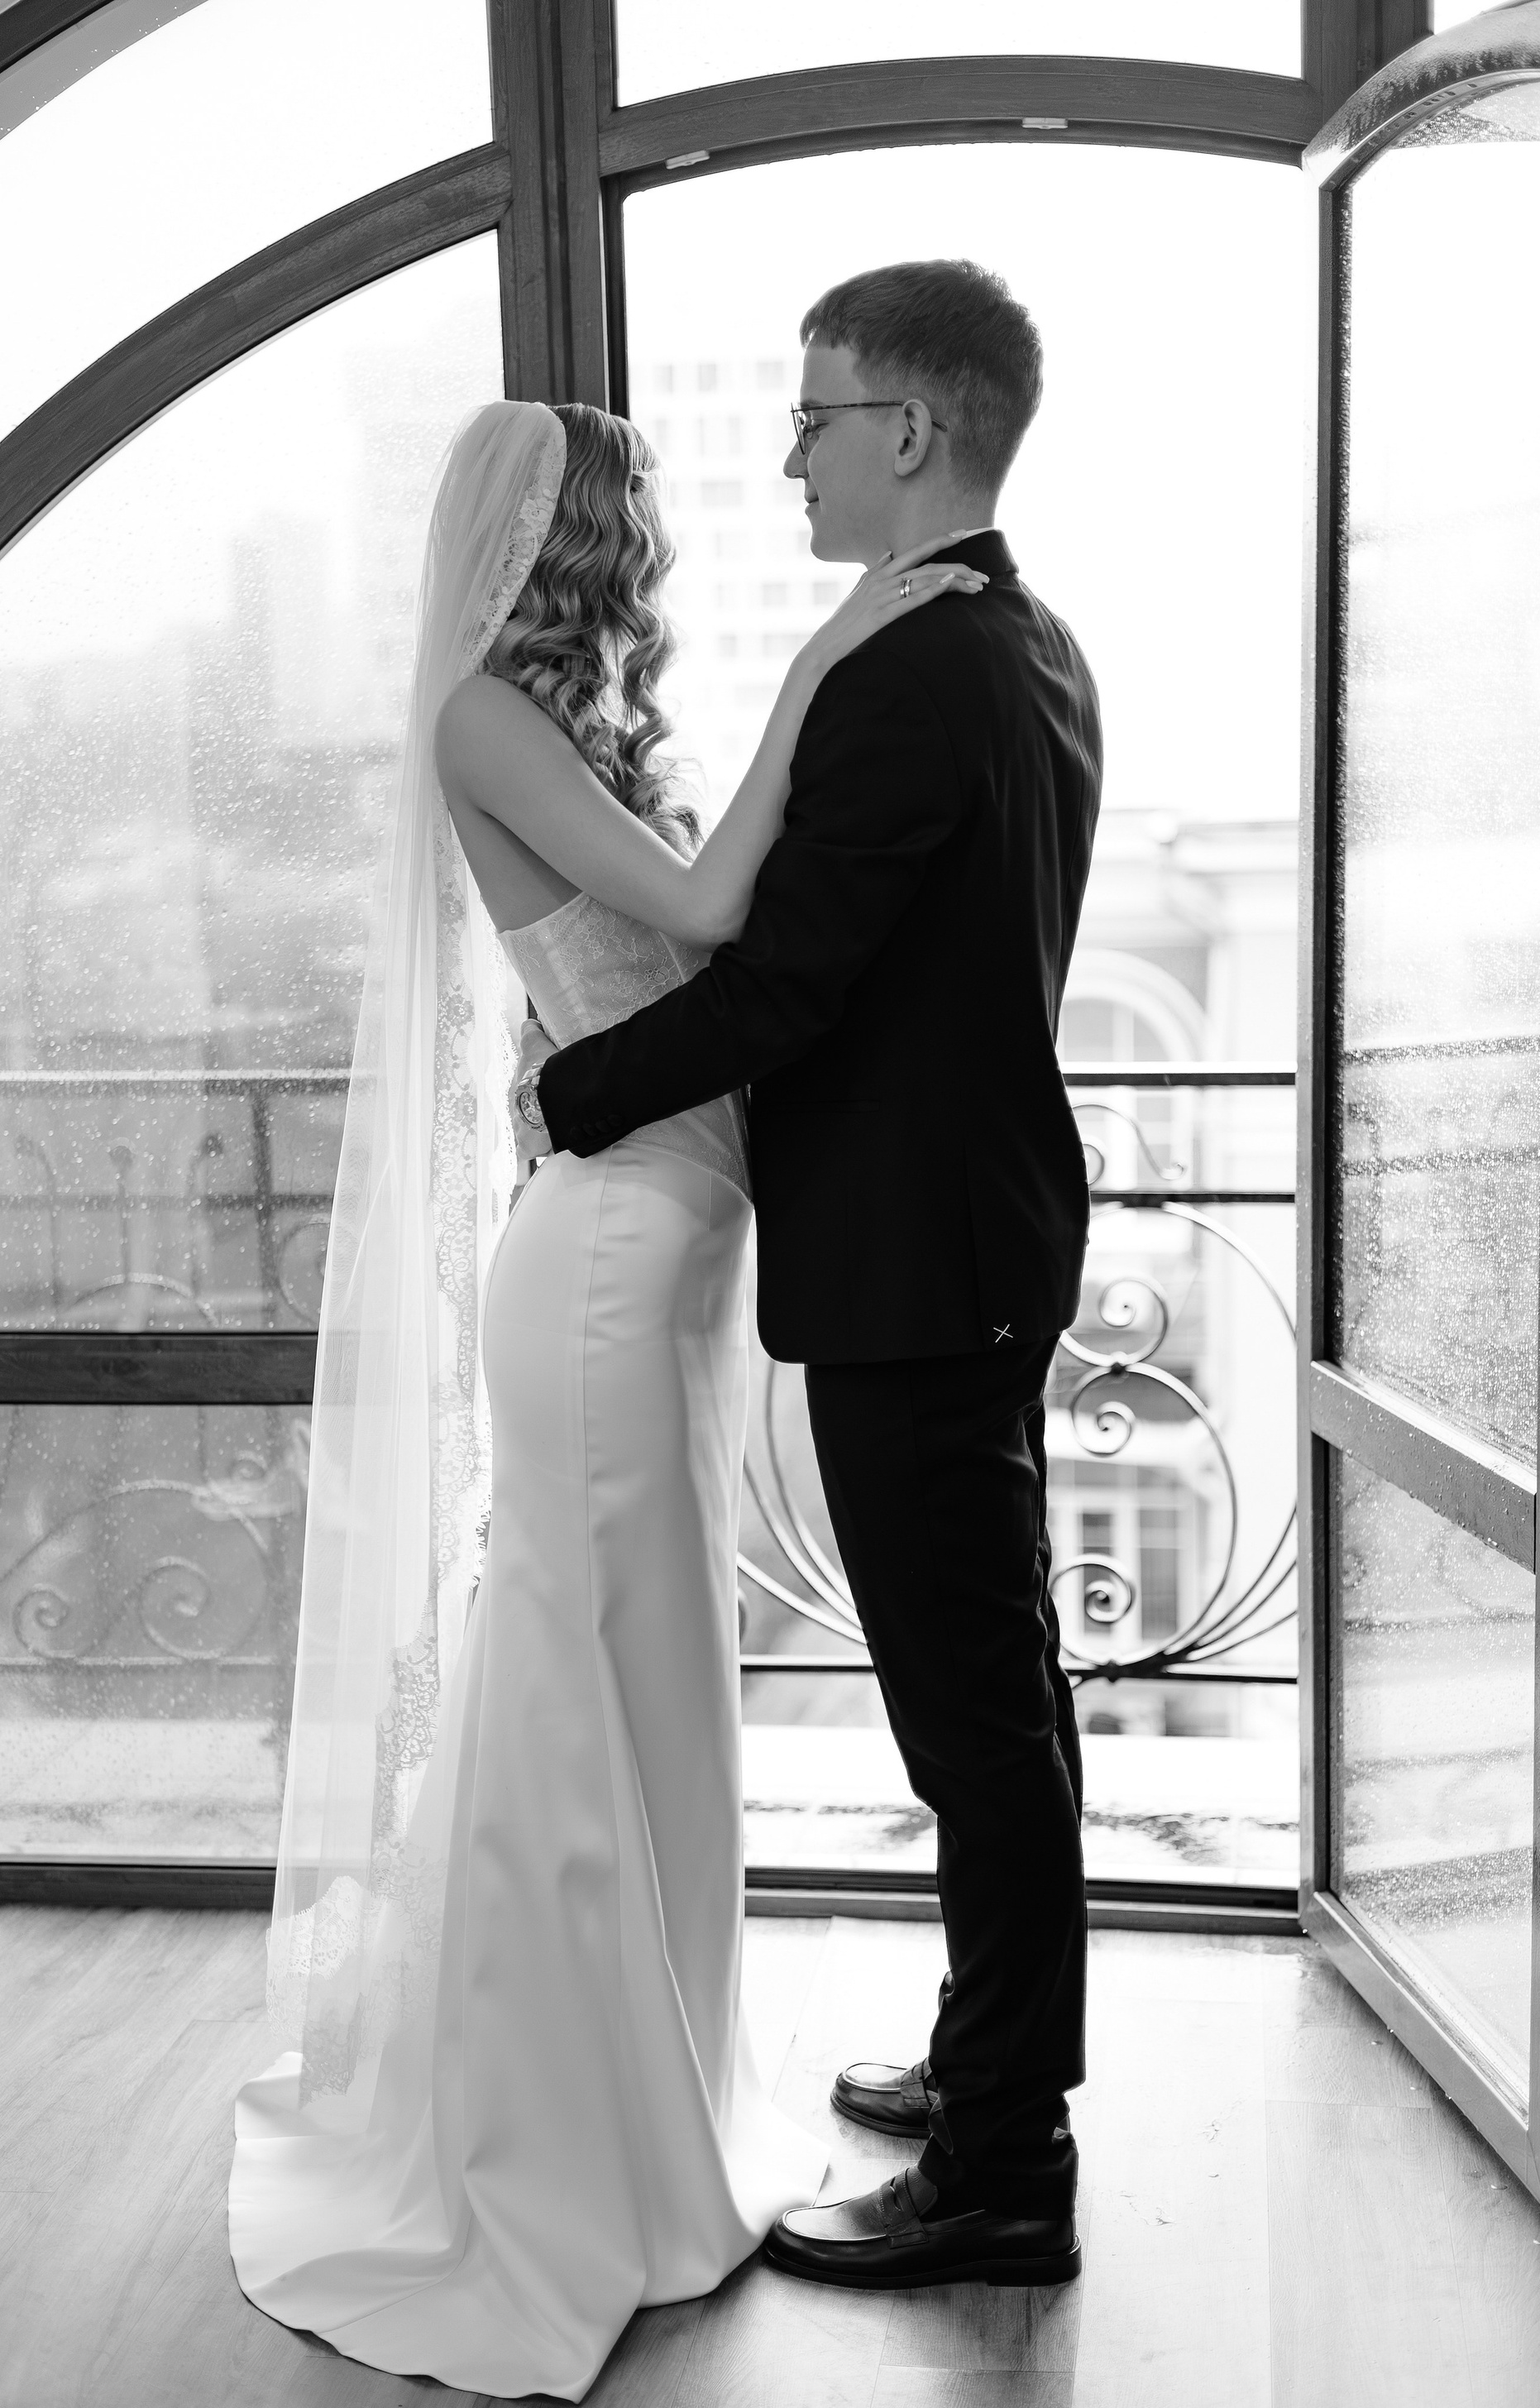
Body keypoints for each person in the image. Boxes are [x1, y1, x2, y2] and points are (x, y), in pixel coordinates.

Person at [227, 395, 983, 2401]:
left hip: (678, 1236)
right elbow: (714, 917)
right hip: (604, 1262)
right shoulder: (485, 718)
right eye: (636, 503)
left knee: (656, 1688)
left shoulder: (574, 727)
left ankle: (653, 2104)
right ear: (569, 535)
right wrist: (831, 660)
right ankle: (559, 2149)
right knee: (580, 1673)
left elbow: (709, 944)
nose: (666, 527)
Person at [519, 258, 1104, 2291]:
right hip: (978, 1241)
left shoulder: (910, 671)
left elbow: (785, 984)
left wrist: (574, 1088)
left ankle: (1007, 2173)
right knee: (1003, 1700)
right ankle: (989, 2065)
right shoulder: (1024, 642)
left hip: (920, 1270)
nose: (792, 457)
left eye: (815, 417)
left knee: (974, 1725)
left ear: (911, 430)